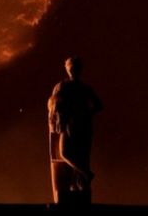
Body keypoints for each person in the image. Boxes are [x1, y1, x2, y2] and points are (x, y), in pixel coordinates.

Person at [48, 56, 102, 205]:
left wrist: (80, 113)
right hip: (78, 126)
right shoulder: (79, 87)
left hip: (72, 126)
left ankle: (85, 175)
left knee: (65, 153)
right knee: (78, 156)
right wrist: (85, 113)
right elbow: (97, 106)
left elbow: (98, 105)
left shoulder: (65, 86)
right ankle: (80, 182)